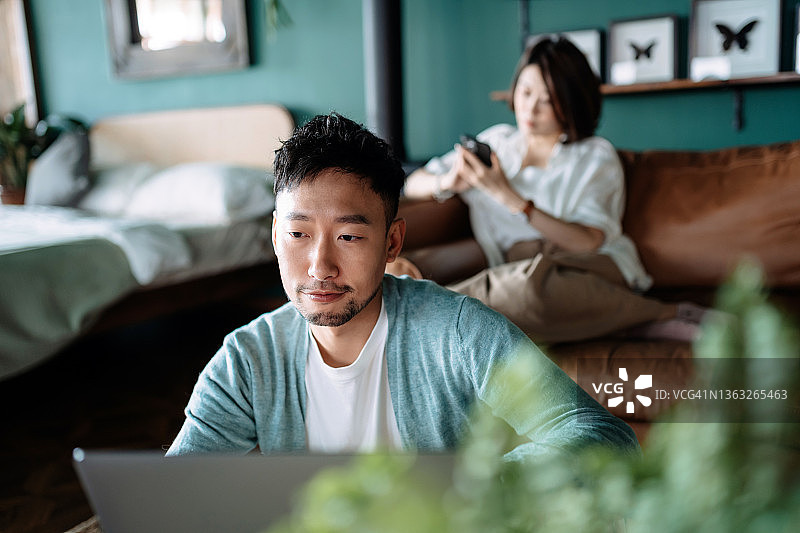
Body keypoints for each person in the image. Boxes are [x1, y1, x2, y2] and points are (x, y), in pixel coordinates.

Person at [167, 112, 637, 458]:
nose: (320, 266)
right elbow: (175, 490)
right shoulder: (248, 359)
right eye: (298, 234)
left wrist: (467, 489)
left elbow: (604, 436)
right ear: (274, 235)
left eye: (349, 236)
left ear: (392, 242)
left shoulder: (457, 332)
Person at [399, 36, 708, 343]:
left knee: (529, 291)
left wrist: (509, 197)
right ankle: (631, 320)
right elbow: (412, 184)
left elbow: (587, 241)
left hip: (587, 266)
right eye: (526, 91)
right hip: (515, 269)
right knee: (521, 286)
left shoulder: (595, 155)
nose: (531, 108)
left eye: (547, 99)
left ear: (570, 101)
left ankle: (422, 305)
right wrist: (447, 182)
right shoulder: (498, 143)